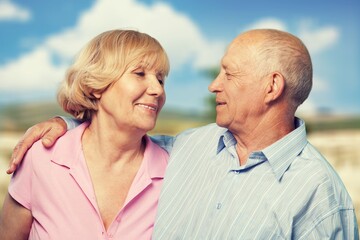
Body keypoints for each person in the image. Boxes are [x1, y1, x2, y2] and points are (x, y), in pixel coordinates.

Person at [5, 29, 359, 239]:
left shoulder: (321, 193)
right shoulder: (191, 149)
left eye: (229, 74)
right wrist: (63, 125)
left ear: (271, 87)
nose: (212, 85)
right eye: (141, 74)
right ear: (97, 86)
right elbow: (108, 139)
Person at [0, 29, 170, 239]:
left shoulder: (173, 174)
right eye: (140, 73)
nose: (158, 90)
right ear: (95, 86)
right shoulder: (42, 158)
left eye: (161, 79)